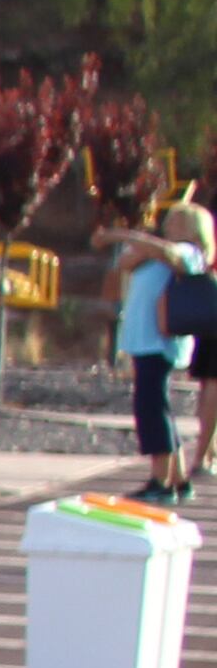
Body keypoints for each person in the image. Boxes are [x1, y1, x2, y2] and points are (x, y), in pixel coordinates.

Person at [121, 203, 208, 500]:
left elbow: (172, 255)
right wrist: (142, 247)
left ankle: (160, 482)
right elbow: (125, 263)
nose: (167, 226)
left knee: (151, 408)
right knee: (158, 408)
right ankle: (179, 479)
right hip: (143, 339)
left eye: (174, 221)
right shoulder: (154, 253)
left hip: (160, 342)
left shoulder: (188, 252)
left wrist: (121, 235)